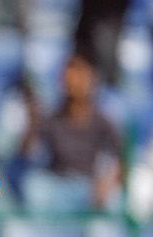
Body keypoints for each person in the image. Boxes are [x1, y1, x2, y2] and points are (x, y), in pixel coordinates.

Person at [18, 55, 124, 212]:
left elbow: (121, 158)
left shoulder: (102, 120)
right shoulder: (52, 118)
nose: (74, 84)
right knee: (32, 187)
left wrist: (107, 182)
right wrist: (32, 122)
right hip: (57, 184)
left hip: (89, 186)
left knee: (116, 200)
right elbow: (26, 152)